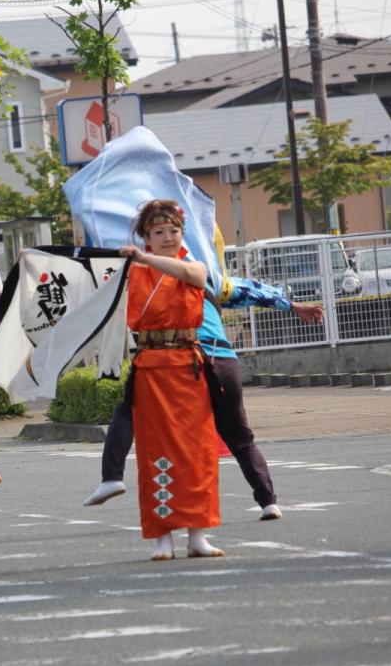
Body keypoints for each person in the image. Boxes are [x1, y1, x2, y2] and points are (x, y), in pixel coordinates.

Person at [83, 238, 326, 521]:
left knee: (136, 414)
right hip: (224, 361)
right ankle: (268, 501)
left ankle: (115, 477)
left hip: (186, 361)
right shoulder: (207, 278)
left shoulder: (145, 278)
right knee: (240, 438)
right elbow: (251, 291)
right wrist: (293, 306)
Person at [118, 200, 223, 561]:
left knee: (198, 453)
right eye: (158, 232)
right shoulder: (131, 270)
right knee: (154, 455)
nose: (166, 237)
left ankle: (198, 534)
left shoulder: (190, 265)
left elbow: (194, 277)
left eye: (173, 231)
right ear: (146, 236)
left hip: (188, 369)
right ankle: (163, 537)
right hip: (151, 370)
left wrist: (145, 259)